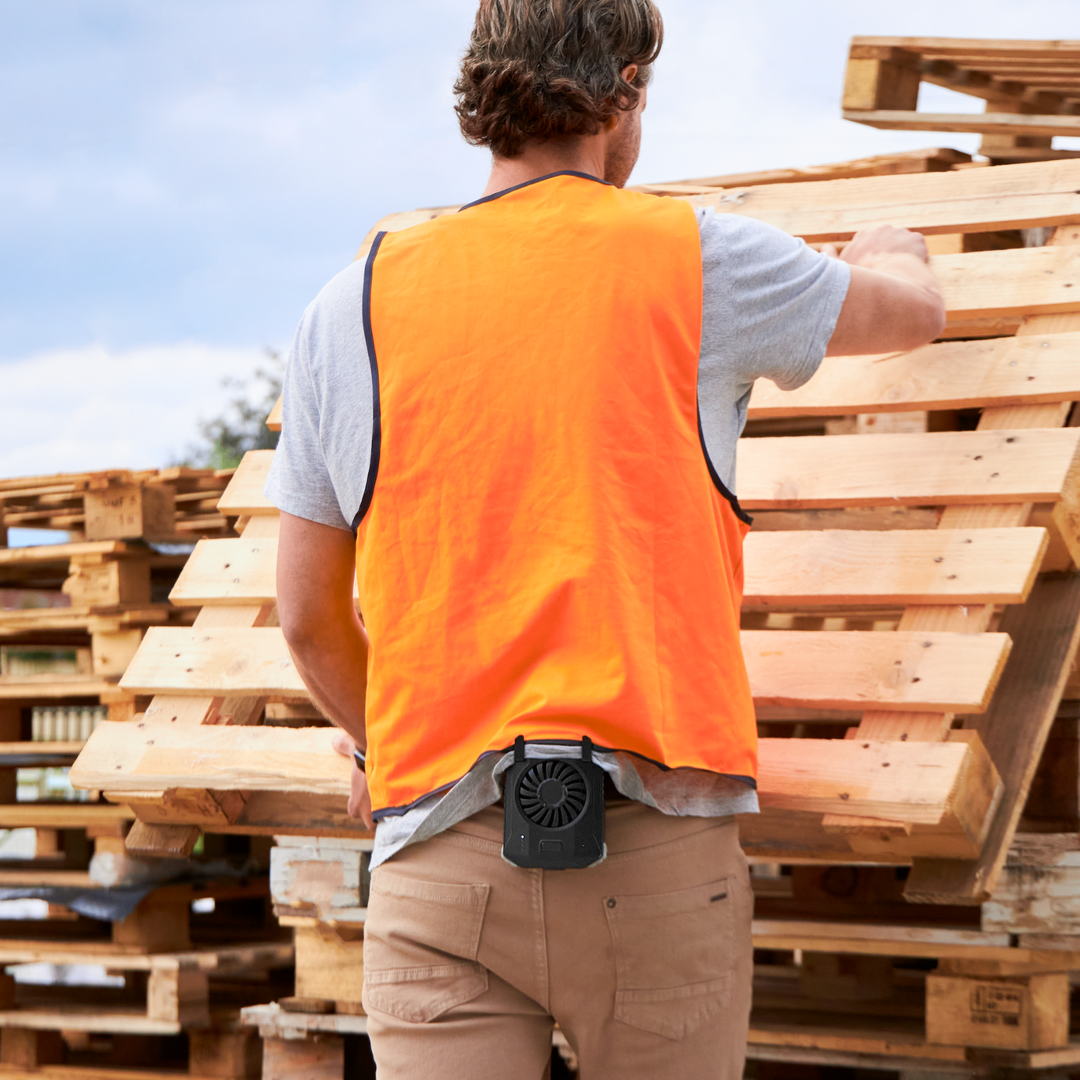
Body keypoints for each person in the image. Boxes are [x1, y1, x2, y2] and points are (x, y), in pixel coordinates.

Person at [265, 1, 946, 1076]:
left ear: (484, 90)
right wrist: (896, 250)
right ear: (625, 90)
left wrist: (377, 743)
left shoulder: (346, 305)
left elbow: (306, 617)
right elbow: (906, 317)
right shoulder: (697, 258)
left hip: (438, 865)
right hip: (658, 860)